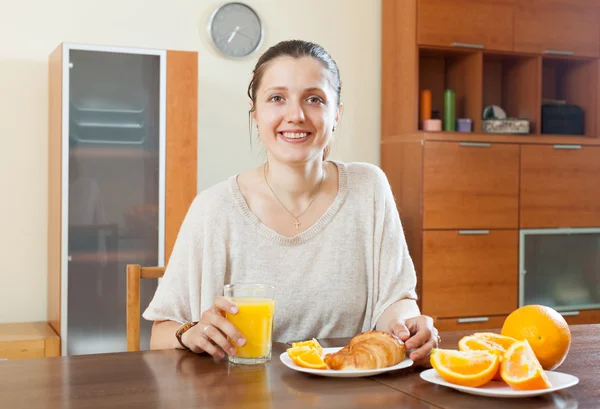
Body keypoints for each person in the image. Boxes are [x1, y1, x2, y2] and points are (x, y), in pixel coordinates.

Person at [142, 39, 440, 365]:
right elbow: (161, 334)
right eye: (277, 98)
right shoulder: (213, 208)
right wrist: (191, 332)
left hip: (348, 392)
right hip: (239, 395)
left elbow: (394, 302)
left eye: (314, 99)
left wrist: (409, 325)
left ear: (336, 113)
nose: (295, 115)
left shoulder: (369, 188)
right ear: (256, 114)